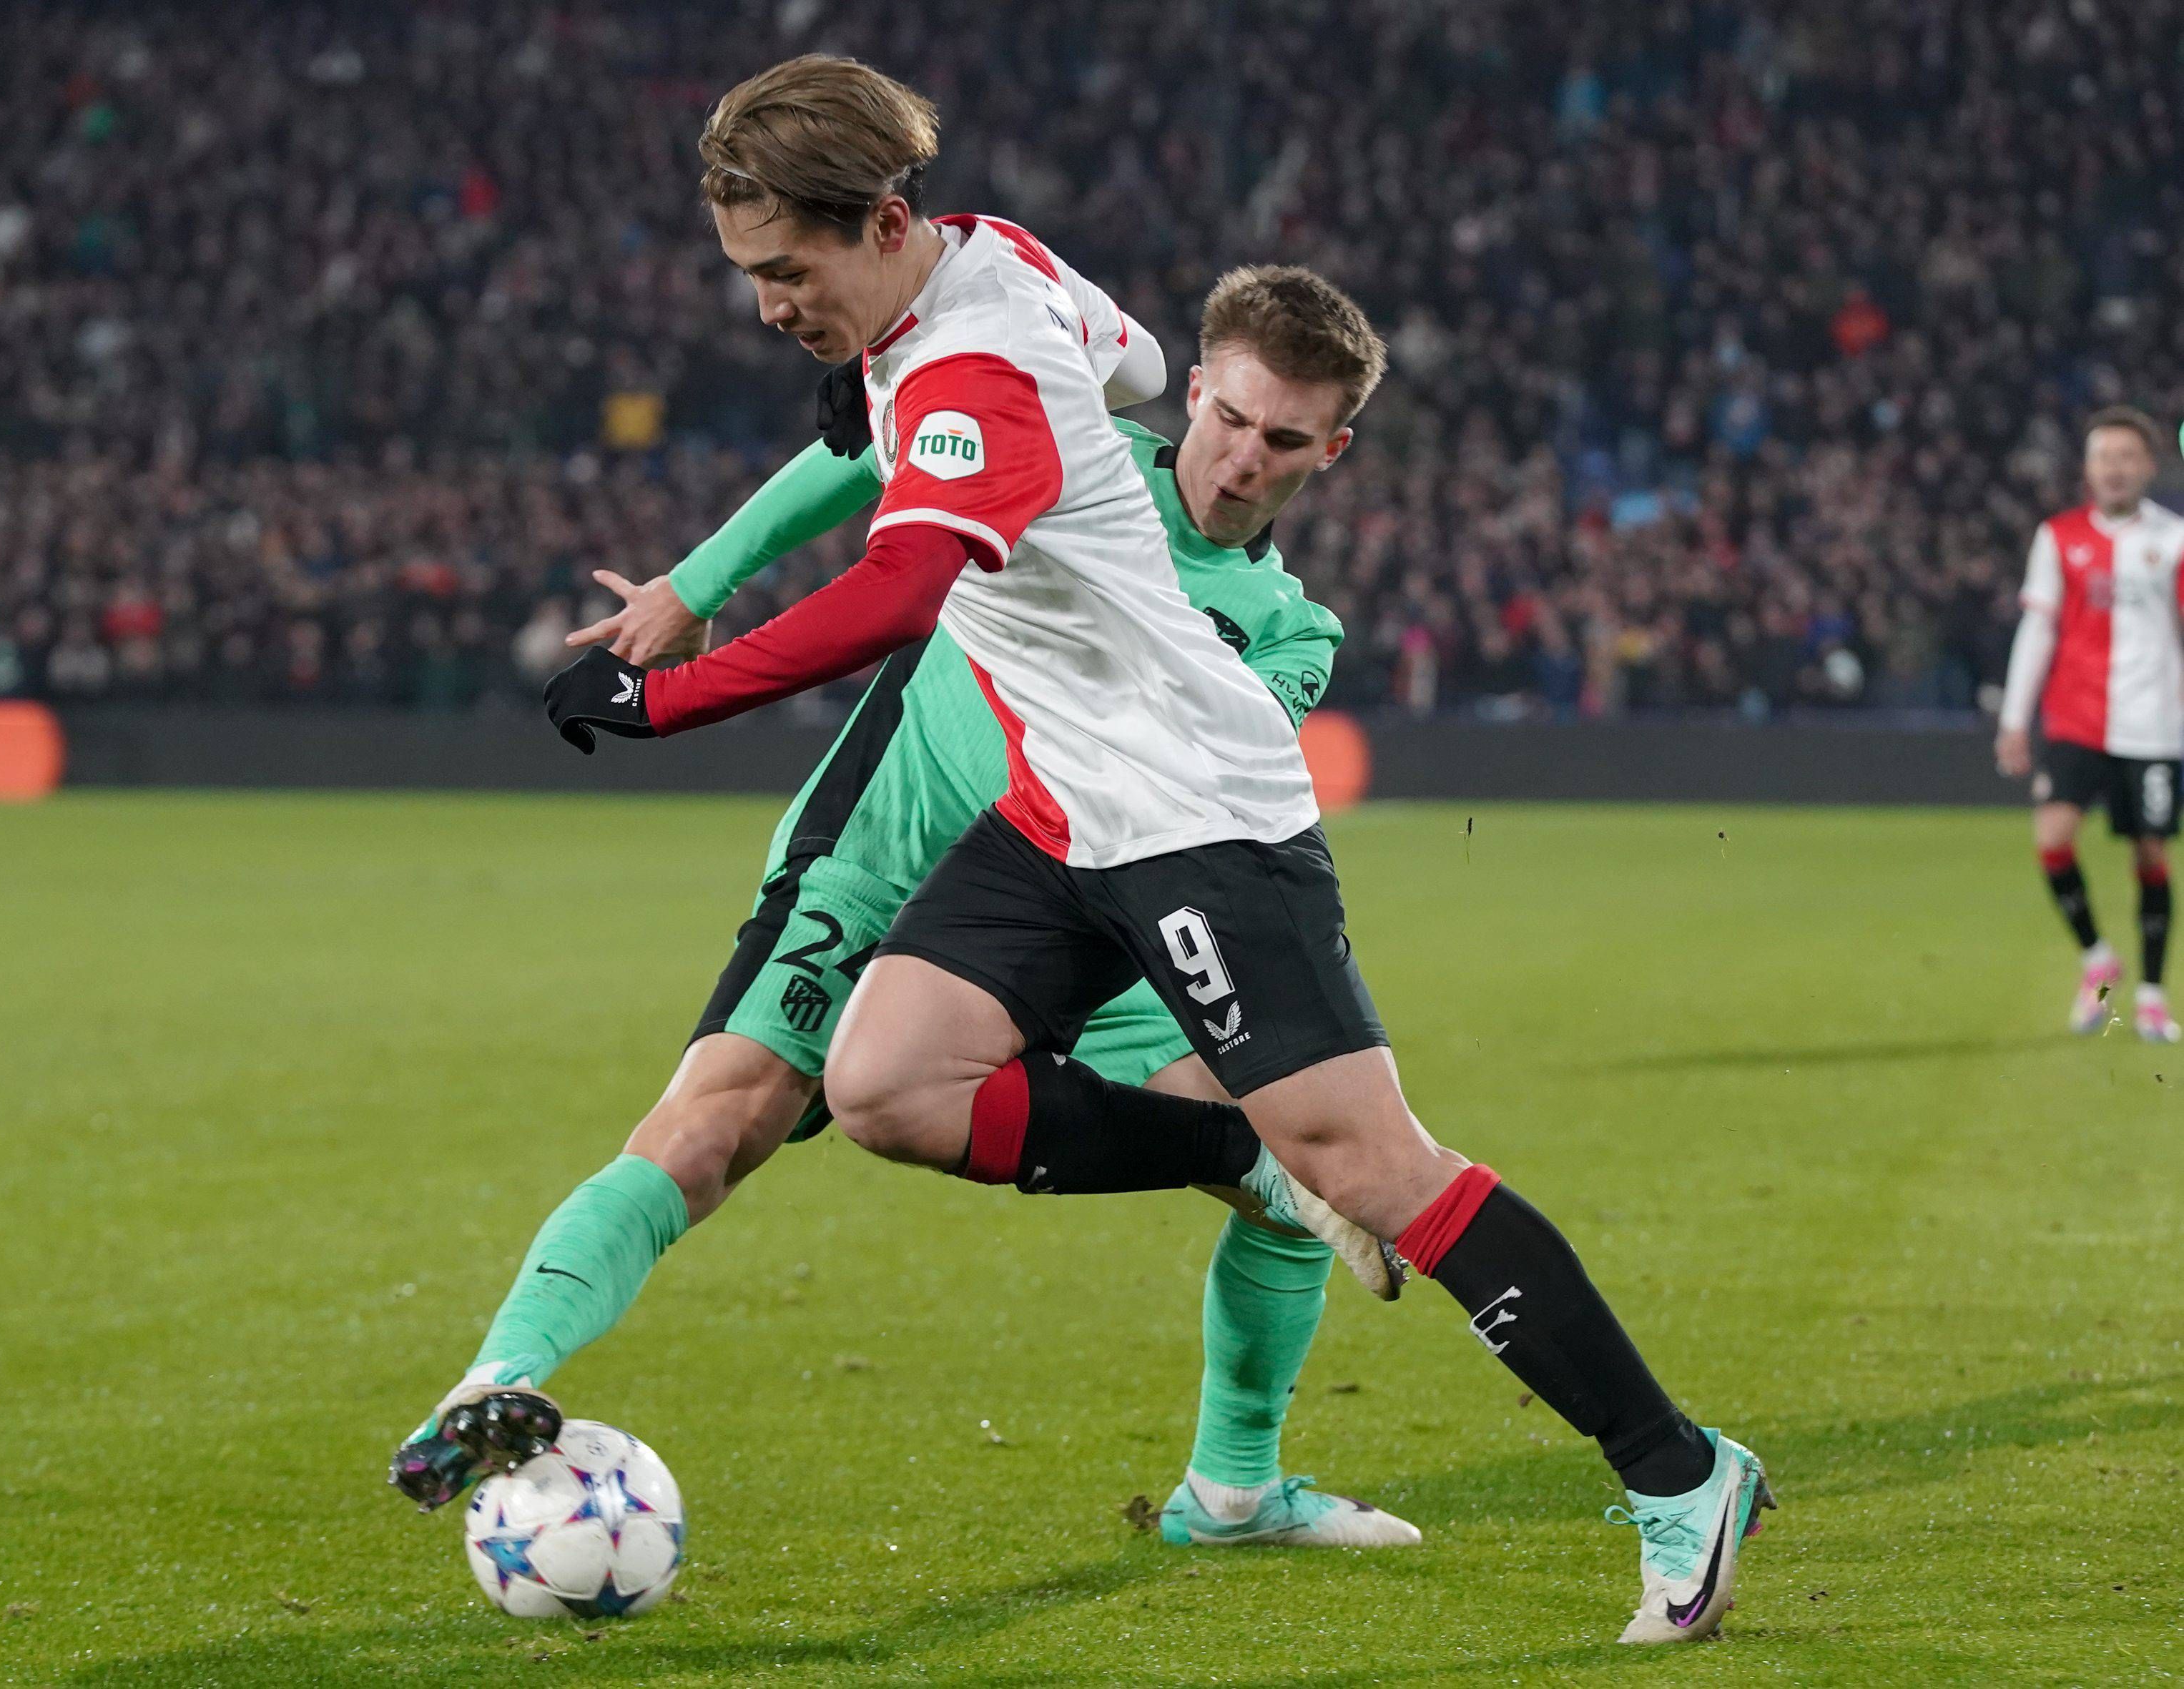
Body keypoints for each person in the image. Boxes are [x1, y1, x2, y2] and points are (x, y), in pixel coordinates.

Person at [534, 55, 1771, 1643]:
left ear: (879, 224)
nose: (767, 304)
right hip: (1057, 806)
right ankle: (1231, 1160)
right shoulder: (1000, 266)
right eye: (752, 275)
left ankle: (1677, 1468)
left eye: (786, 272)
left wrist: (665, 699)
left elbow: (900, 593)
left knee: (1372, 1166)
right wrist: (873, 398)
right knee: (883, 1083)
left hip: (1191, 808)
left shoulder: (977, 368)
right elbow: (1115, 357)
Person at [395, 260, 1420, 1547]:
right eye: (1226, 421)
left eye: (1280, 443)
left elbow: (1190, 789)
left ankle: (1229, 1491)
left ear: (1326, 453)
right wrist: (698, 584)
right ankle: (499, 1379)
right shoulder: (1065, 439)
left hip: (1080, 921)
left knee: (1300, 1167)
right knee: (719, 1122)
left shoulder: (1287, 630)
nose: (1239, 461)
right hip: (880, 859)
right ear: (1197, 389)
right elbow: (877, 456)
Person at [1996, 407, 2184, 1041]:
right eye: (2104, 457)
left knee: (2150, 852)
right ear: (2087, 468)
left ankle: (2153, 995)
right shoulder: (2058, 537)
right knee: (2052, 839)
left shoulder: (2175, 539)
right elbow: (2038, 626)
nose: (2115, 468)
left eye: (2127, 457)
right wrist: (2014, 718)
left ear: (2147, 467)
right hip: (2076, 717)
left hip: (2153, 720)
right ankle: (2098, 962)